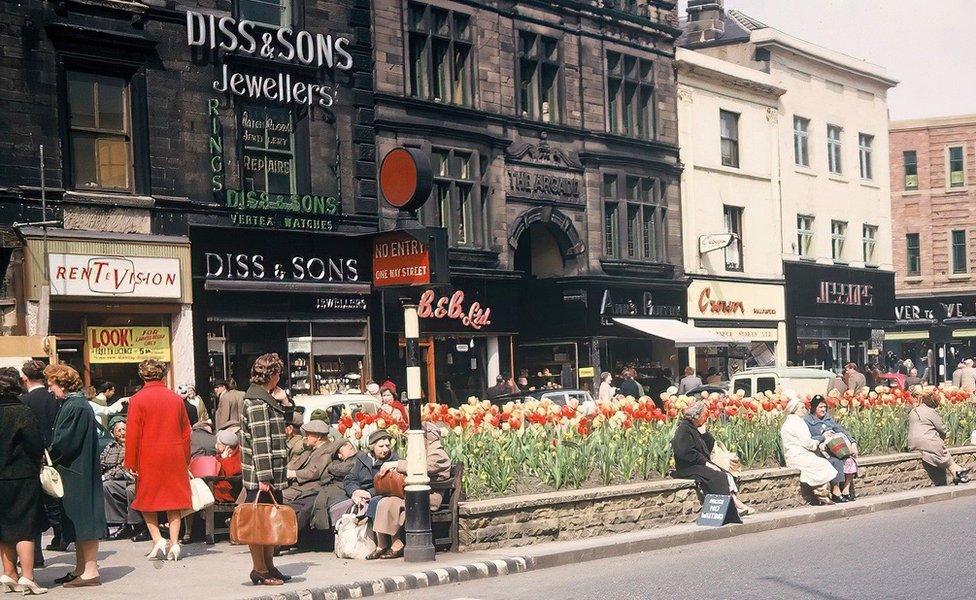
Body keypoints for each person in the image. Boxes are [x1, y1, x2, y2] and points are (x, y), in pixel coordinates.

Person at [124, 359, 192, 562]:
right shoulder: (176, 399)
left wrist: (131, 462)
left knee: (146, 499)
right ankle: (175, 543)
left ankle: (158, 539)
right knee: (174, 500)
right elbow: (186, 432)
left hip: (148, 455)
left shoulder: (137, 399)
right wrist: (185, 458)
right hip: (174, 454)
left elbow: (133, 434)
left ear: (142, 376)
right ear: (163, 376)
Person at [45, 363, 105, 588]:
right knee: (78, 521)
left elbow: (65, 442)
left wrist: (48, 453)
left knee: (84, 520)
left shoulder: (76, 405)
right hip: (74, 471)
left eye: (52, 385)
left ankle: (90, 571)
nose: (50, 390)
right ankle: (81, 568)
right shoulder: (74, 404)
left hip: (77, 472)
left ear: (62, 383)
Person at [240, 353, 291, 586]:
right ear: (271, 374)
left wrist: (286, 401)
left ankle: (269, 566)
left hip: (271, 473)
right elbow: (261, 443)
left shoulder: (266, 399)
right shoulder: (257, 402)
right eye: (278, 373)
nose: (280, 377)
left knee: (270, 521)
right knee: (259, 523)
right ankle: (259, 568)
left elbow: (293, 420)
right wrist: (265, 477)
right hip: (262, 475)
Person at [370, 422, 452, 559]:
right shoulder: (423, 451)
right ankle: (383, 544)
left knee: (395, 504)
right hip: (414, 493)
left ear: (426, 437)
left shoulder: (438, 454)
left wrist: (396, 464)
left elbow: (421, 467)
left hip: (429, 496)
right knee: (384, 502)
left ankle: (397, 544)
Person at [0, 366, 46, 595]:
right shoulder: (23, 411)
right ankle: (28, 576)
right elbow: (36, 445)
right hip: (22, 475)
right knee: (25, 528)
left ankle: (8, 573)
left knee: (4, 527)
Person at [670, 400, 752, 516]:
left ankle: (735, 503)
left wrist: (704, 434)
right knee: (718, 476)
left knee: (726, 473)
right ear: (696, 416)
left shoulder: (695, 428)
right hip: (688, 467)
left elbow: (708, 447)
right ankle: (731, 506)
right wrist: (705, 462)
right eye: (704, 415)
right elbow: (684, 452)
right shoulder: (684, 429)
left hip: (698, 464)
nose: (706, 418)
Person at [19, 360, 62, 559]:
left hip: (32, 456)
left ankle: (34, 552)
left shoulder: (24, 401)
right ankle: (61, 535)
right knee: (55, 496)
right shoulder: (53, 397)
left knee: (32, 504)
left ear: (25, 378)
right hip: (55, 452)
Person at [342, 430, 401, 548]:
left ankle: (381, 544)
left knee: (375, 503)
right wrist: (355, 491)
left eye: (387, 446)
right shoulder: (362, 458)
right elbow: (350, 479)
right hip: (361, 493)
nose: (385, 449)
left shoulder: (393, 459)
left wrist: (369, 493)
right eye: (381, 446)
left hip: (381, 493)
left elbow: (388, 484)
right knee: (342, 506)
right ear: (372, 447)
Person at [780, 393, 839, 505]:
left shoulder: (788, 422)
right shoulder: (798, 422)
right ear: (795, 410)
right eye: (802, 408)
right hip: (799, 456)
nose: (805, 410)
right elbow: (808, 443)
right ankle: (821, 493)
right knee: (824, 464)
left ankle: (821, 492)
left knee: (819, 464)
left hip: (792, 456)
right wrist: (822, 438)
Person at [908, 390, 971, 485]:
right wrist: (942, 439)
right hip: (928, 442)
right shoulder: (931, 412)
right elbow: (942, 430)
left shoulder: (913, 411)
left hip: (912, 443)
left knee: (935, 451)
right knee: (940, 448)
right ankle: (957, 471)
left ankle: (957, 473)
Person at [281, 420, 334, 530]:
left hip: (309, 487)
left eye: (309, 434)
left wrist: (293, 474)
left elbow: (314, 472)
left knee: (279, 495)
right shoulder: (310, 450)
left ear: (318, 437)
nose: (306, 437)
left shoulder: (327, 451)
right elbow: (295, 463)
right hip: (298, 484)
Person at [804, 396, 858, 502]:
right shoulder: (807, 421)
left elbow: (841, 430)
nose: (823, 410)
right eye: (820, 407)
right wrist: (823, 436)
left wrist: (853, 442)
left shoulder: (828, 419)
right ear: (814, 407)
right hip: (821, 451)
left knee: (849, 460)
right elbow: (807, 438)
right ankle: (835, 491)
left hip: (836, 448)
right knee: (835, 461)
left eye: (825, 407)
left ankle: (846, 490)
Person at [101, 417, 145, 542]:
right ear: (113, 433)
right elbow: (101, 462)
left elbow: (124, 467)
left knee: (130, 489)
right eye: (118, 430)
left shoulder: (133, 444)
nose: (122, 433)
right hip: (118, 480)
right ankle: (122, 523)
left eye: (124, 429)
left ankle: (139, 525)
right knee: (106, 486)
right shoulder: (110, 446)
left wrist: (105, 476)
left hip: (132, 479)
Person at [310, 440, 359, 532]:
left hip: (344, 487)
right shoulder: (339, 461)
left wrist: (332, 469)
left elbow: (344, 468)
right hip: (331, 487)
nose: (340, 456)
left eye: (341, 452)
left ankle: (323, 532)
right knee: (317, 501)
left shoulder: (358, 457)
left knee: (322, 502)